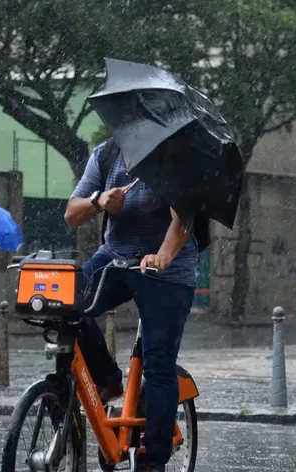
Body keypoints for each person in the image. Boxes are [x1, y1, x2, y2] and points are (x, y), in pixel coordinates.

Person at [64, 141, 197, 472]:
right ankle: (108, 378)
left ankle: (152, 462)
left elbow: (183, 220)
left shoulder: (173, 155)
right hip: (115, 257)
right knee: (64, 306)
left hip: (166, 271)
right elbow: (71, 214)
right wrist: (99, 201)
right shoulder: (106, 155)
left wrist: (163, 256)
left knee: (158, 365)